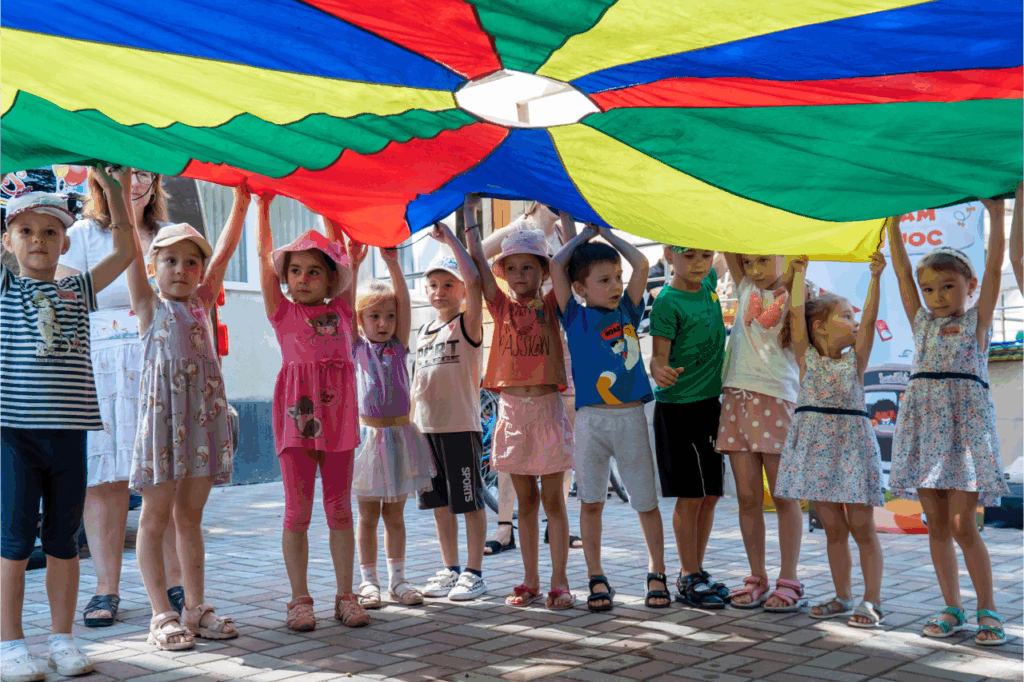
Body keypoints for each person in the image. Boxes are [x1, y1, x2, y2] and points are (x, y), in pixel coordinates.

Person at [1, 181, 137, 681]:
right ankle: (10, 645)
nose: (38, 240)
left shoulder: (78, 288)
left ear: (65, 241)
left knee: (63, 539)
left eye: (51, 232)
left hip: (70, 434)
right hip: (13, 435)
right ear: (8, 239)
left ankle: (62, 640)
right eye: (26, 231)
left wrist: (114, 190)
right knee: (13, 541)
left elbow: (125, 248)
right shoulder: (6, 287)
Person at [55, 167, 186, 628]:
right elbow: (66, 304)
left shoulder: (170, 235)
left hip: (162, 362)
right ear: (100, 180)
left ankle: (177, 581)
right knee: (104, 481)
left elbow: (189, 299)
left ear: (154, 183)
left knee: (162, 478)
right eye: (119, 173)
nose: (131, 181)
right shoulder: (81, 234)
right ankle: (105, 588)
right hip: (99, 367)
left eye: (142, 173)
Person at [127, 182, 247, 649]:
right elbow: (128, 244)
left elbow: (224, 250)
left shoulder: (202, 301)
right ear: (153, 267)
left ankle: (195, 607)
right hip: (162, 426)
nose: (181, 269)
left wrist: (241, 205)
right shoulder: (148, 306)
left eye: (190, 262)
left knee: (190, 518)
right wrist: (121, 194)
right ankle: (162, 614)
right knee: (155, 517)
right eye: (170, 261)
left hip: (202, 423)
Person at [887, 199, 1010, 646]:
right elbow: (902, 276)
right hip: (924, 430)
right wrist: (892, 223)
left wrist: (997, 217)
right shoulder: (920, 322)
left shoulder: (977, 322)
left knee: (963, 525)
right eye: (930, 289)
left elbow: (996, 270)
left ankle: (988, 609)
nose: (938, 297)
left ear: (969, 286)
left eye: (948, 287)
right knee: (936, 526)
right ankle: (952, 606)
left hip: (965, 433)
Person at [256, 195, 368, 629]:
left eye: (314, 271)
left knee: (339, 508)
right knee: (296, 510)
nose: (302, 278)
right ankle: (299, 599)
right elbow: (267, 262)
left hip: (339, 423)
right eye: (295, 271)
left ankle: (345, 594)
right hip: (295, 422)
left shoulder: (342, 308)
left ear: (331, 279)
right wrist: (262, 209)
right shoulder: (281, 311)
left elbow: (339, 245)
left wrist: (327, 197)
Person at [551, 223, 669, 612]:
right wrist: (583, 238)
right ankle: (596, 575)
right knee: (591, 502)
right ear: (581, 289)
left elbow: (641, 261)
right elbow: (556, 264)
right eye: (605, 279)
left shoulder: (628, 310)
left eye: (617, 277)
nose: (617, 284)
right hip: (590, 422)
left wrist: (608, 234)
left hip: (631, 418)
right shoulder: (574, 316)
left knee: (645, 501)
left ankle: (657, 572)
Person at [466, 200, 575, 610]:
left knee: (554, 502)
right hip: (512, 413)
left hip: (546, 410)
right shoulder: (501, 306)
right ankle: (530, 579)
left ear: (544, 271)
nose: (517, 275)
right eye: (511, 268)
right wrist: (469, 214)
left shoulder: (553, 305)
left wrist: (566, 209)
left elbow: (566, 258)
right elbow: (477, 258)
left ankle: (559, 581)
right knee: (525, 502)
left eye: (528, 267)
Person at [775, 253, 888, 627]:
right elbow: (794, 317)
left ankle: (871, 600)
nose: (854, 323)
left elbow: (871, 320)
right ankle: (843, 596)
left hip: (852, 450)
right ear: (820, 327)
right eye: (845, 316)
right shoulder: (807, 357)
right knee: (834, 530)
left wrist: (876, 277)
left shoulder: (854, 360)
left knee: (862, 528)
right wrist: (798, 274)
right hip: (817, 453)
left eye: (854, 317)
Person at [717, 253, 804, 610]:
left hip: (778, 398)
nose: (754, 270)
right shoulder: (745, 285)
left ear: (783, 256)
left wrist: (798, 272)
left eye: (763, 261)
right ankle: (757, 577)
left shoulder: (798, 287)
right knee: (748, 497)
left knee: (784, 496)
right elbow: (727, 241)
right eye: (749, 262)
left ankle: (789, 578)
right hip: (736, 397)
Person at [352, 246, 434, 611]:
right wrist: (353, 265)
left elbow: (404, 302)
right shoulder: (355, 348)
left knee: (395, 515)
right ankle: (368, 582)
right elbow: (342, 305)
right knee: (368, 515)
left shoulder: (399, 346)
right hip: (368, 439)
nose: (382, 323)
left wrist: (393, 264)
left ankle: (398, 579)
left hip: (400, 437)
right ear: (360, 320)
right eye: (374, 316)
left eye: (388, 316)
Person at [412, 217, 489, 601]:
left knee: (469, 500)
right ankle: (450, 567)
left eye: (448, 284)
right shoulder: (423, 331)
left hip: (460, 428)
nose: (439, 291)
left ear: (460, 290)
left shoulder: (468, 324)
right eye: (434, 285)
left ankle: (474, 572)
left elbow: (476, 281)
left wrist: (452, 240)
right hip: (426, 431)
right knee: (439, 503)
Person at [648, 246, 729, 609]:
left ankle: (694, 569)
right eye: (689, 256)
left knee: (711, 494)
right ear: (668, 254)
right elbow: (658, 359)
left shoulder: (709, 280)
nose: (698, 264)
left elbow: (729, 249)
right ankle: (687, 574)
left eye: (704, 256)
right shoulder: (667, 302)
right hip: (678, 411)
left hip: (710, 408)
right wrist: (658, 370)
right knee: (691, 495)